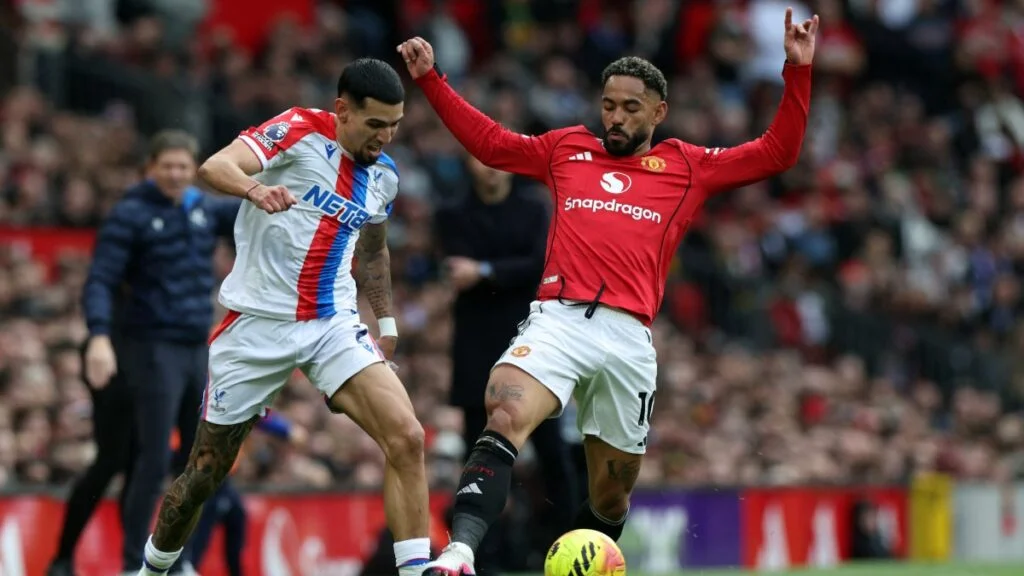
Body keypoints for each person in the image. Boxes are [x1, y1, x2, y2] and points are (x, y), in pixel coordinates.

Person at [397, 8, 819, 575]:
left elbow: (777, 153)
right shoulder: (566, 149)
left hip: (628, 338)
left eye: (630, 108)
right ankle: (458, 554)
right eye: (608, 106)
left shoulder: (687, 166)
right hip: (559, 319)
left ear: (659, 111)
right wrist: (431, 80)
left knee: (612, 495)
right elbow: (493, 144)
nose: (615, 118)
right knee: (503, 413)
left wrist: (797, 72)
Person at [135, 58, 432, 576]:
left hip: (332, 323)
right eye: (375, 124)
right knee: (205, 473)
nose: (386, 136)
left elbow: (375, 248)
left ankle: (415, 571)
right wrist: (255, 188)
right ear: (342, 110)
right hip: (255, 325)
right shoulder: (296, 130)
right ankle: (153, 569)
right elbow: (213, 166)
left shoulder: (384, 176)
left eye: (395, 125)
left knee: (407, 436)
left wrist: (386, 325)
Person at [48, 131, 240, 576]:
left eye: (182, 166)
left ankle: (180, 560)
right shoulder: (130, 215)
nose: (175, 174)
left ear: (195, 168)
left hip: (196, 348)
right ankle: (135, 564)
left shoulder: (203, 209)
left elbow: (256, 207)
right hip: (149, 348)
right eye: (166, 165)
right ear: (150, 168)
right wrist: (97, 336)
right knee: (147, 461)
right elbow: (100, 280)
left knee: (199, 463)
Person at [435, 155, 579, 572]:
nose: (491, 168)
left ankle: (565, 547)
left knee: (553, 455)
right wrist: (500, 271)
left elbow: (539, 263)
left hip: (530, 344)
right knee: (477, 455)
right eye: (480, 161)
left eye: (496, 160)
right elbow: (457, 268)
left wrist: (483, 270)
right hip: (476, 348)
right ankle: (483, 554)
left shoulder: (533, 208)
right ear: (469, 166)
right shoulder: (452, 213)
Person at [187, 412, 306, 575]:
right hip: (204, 478)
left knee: (236, 524)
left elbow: (258, 415)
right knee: (200, 534)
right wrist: (286, 430)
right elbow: (257, 415)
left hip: (224, 481)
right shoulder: (217, 401)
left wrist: (286, 429)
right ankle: (188, 568)